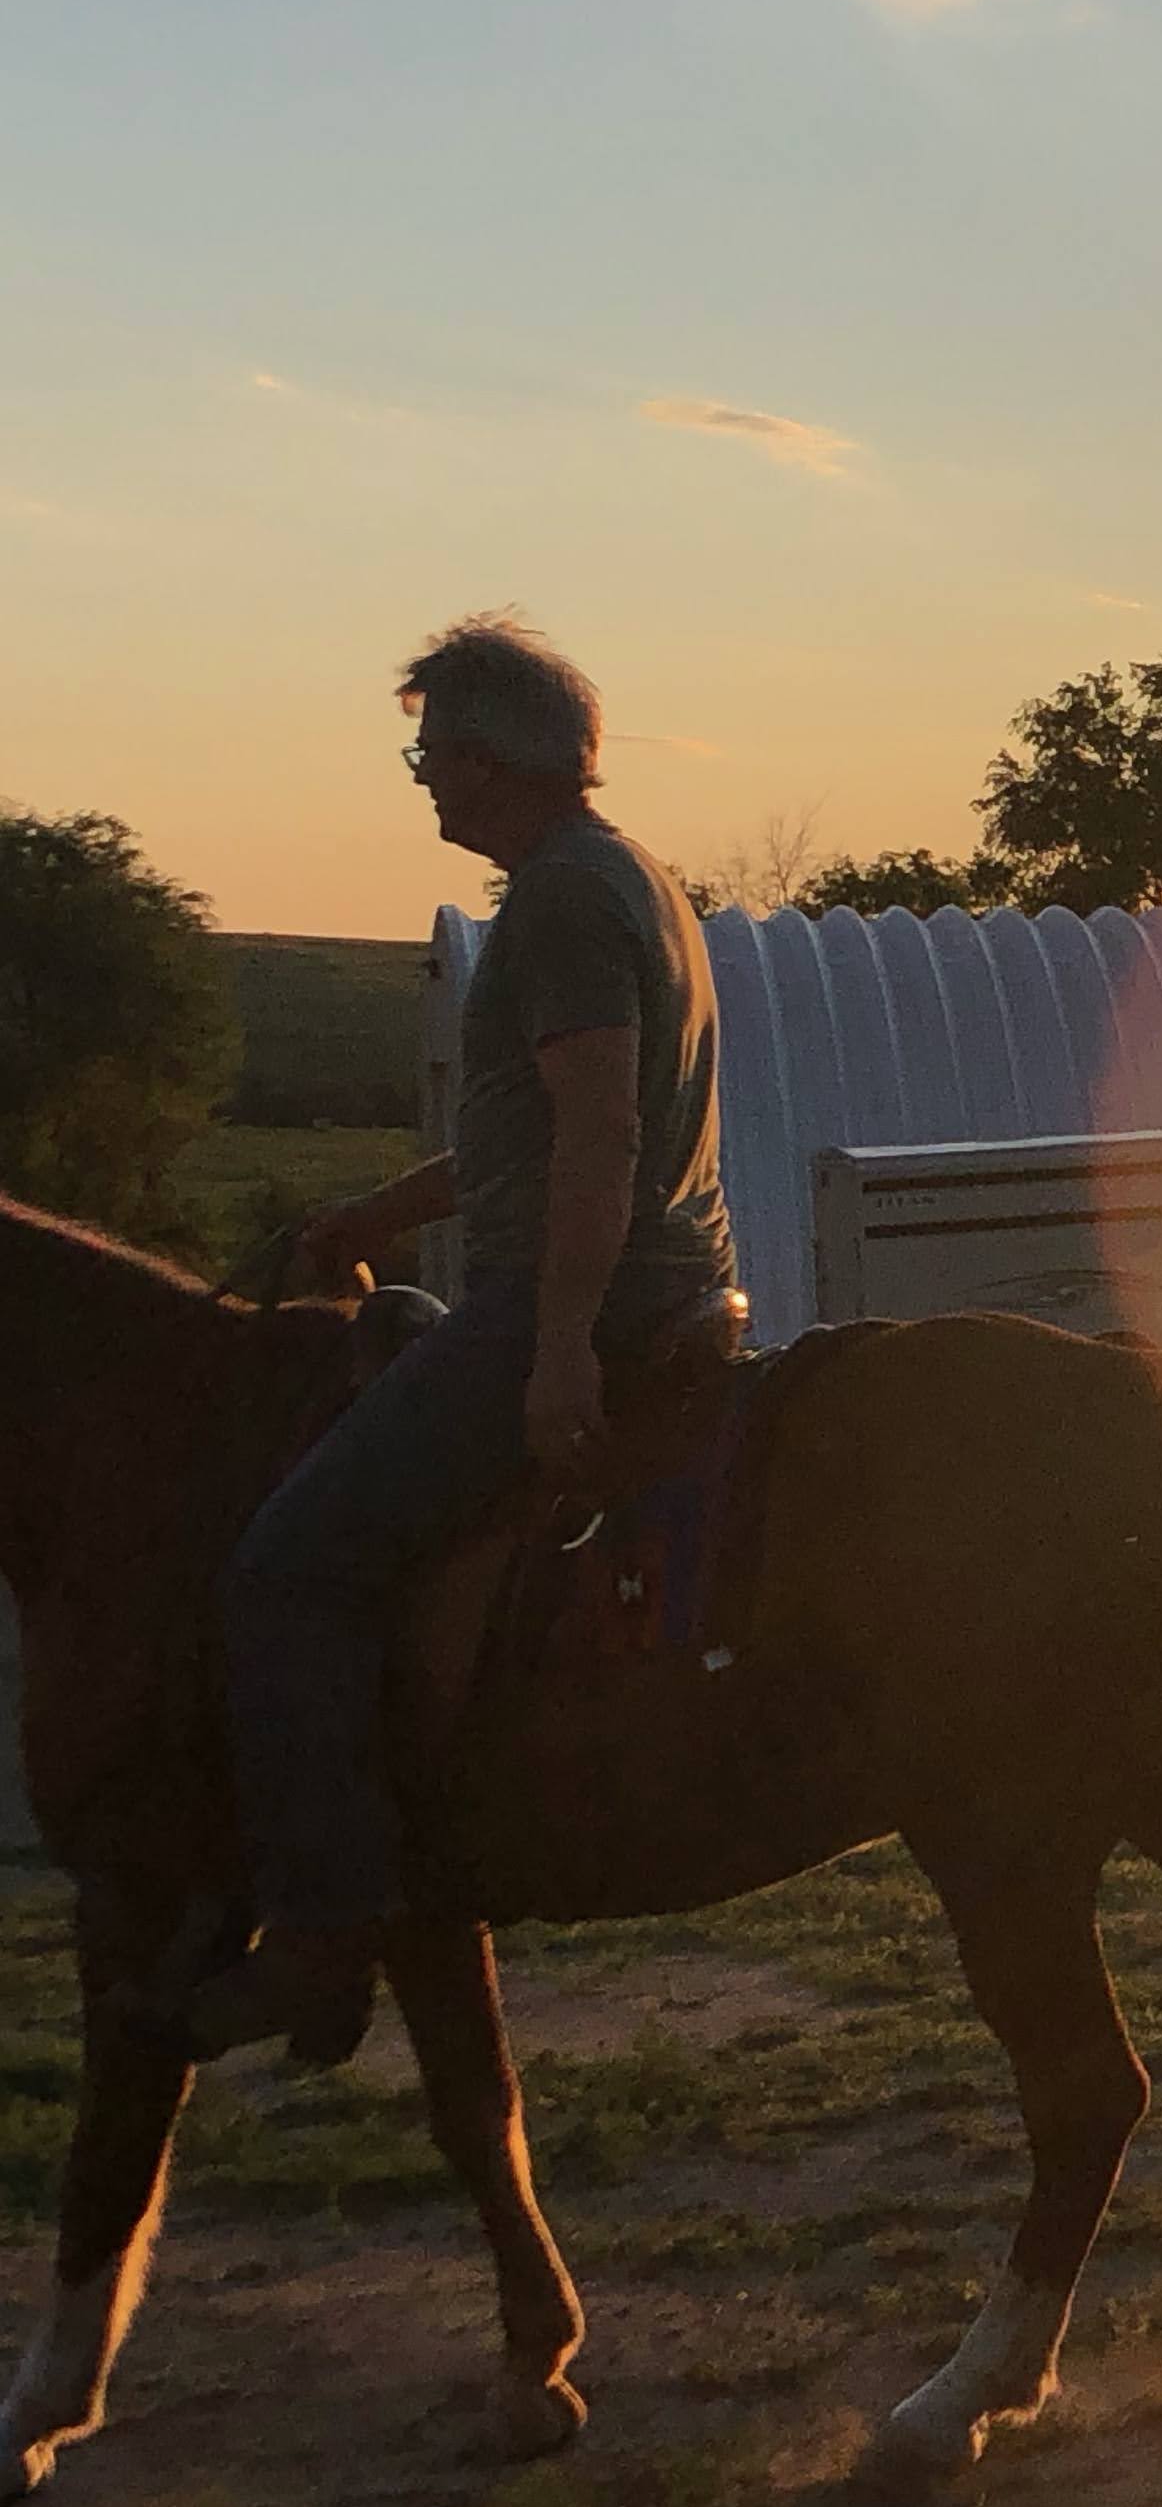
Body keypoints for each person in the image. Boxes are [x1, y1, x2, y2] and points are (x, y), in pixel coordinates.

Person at [180, 614, 737, 2062]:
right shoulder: (630, 880)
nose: (422, 782)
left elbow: (603, 1135)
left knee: (285, 1573)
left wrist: (555, 1346)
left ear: (493, 761)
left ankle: (317, 1936)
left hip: (588, 1298)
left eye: (432, 756)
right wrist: (382, 1206)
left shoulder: (557, 902)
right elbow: (540, 1132)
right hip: (644, 1279)